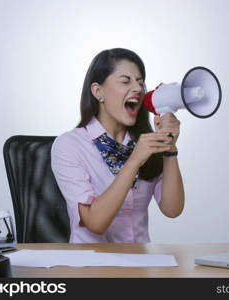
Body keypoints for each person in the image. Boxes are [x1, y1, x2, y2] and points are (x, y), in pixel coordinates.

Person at [51, 48, 184, 243]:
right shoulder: (69, 146)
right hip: (91, 266)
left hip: (140, 264)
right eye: (125, 81)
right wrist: (134, 161)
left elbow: (172, 210)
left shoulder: (146, 142)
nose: (138, 89)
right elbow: (95, 223)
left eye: (140, 82)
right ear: (98, 91)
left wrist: (170, 148)